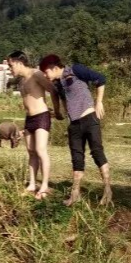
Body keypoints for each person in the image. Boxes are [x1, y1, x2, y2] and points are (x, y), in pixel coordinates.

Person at [39, 54, 112, 206]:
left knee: (97, 153)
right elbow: (63, 103)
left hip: (89, 119)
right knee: (77, 159)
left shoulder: (76, 70)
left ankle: (107, 191)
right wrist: (57, 114)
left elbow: (100, 79)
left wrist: (99, 102)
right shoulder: (58, 85)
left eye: (46, 72)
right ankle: (75, 194)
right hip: (74, 125)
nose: (45, 76)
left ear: (54, 67)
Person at [7, 51, 63, 200]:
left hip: (42, 116)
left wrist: (57, 111)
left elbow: (53, 90)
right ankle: (32, 184)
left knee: (40, 150)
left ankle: (44, 186)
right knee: (31, 151)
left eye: (10, 65)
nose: (9, 68)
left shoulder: (36, 74)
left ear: (19, 63)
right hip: (29, 118)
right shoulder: (21, 81)